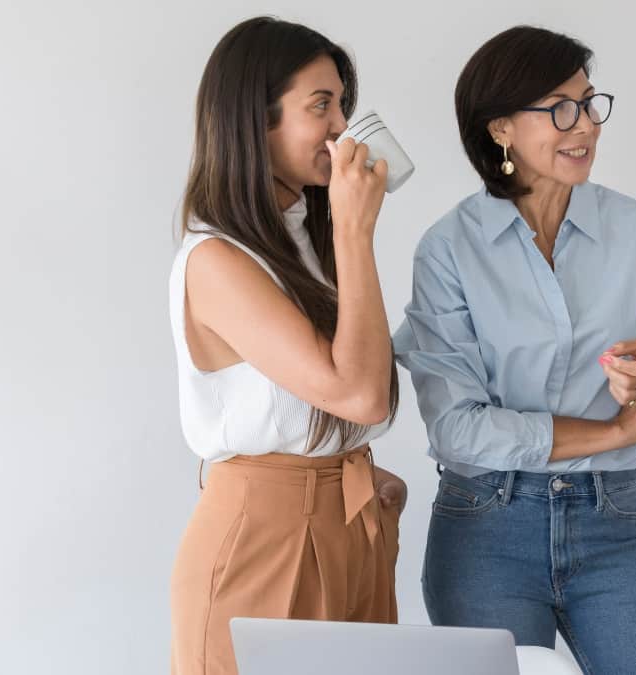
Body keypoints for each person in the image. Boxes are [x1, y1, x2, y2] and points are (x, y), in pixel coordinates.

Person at [394, 25, 636, 675]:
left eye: (591, 104)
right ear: (501, 128)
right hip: (486, 529)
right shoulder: (450, 249)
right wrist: (614, 430)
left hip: (617, 521)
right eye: (561, 109)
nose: (585, 125)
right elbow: (457, 428)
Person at [167, 17, 406, 674]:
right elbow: (357, 392)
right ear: (256, 119)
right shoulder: (216, 258)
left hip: (349, 522)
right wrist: (358, 234)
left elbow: (362, 394)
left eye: (344, 104)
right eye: (321, 105)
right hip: (263, 539)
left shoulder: (309, 239)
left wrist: (349, 476)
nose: (344, 128)